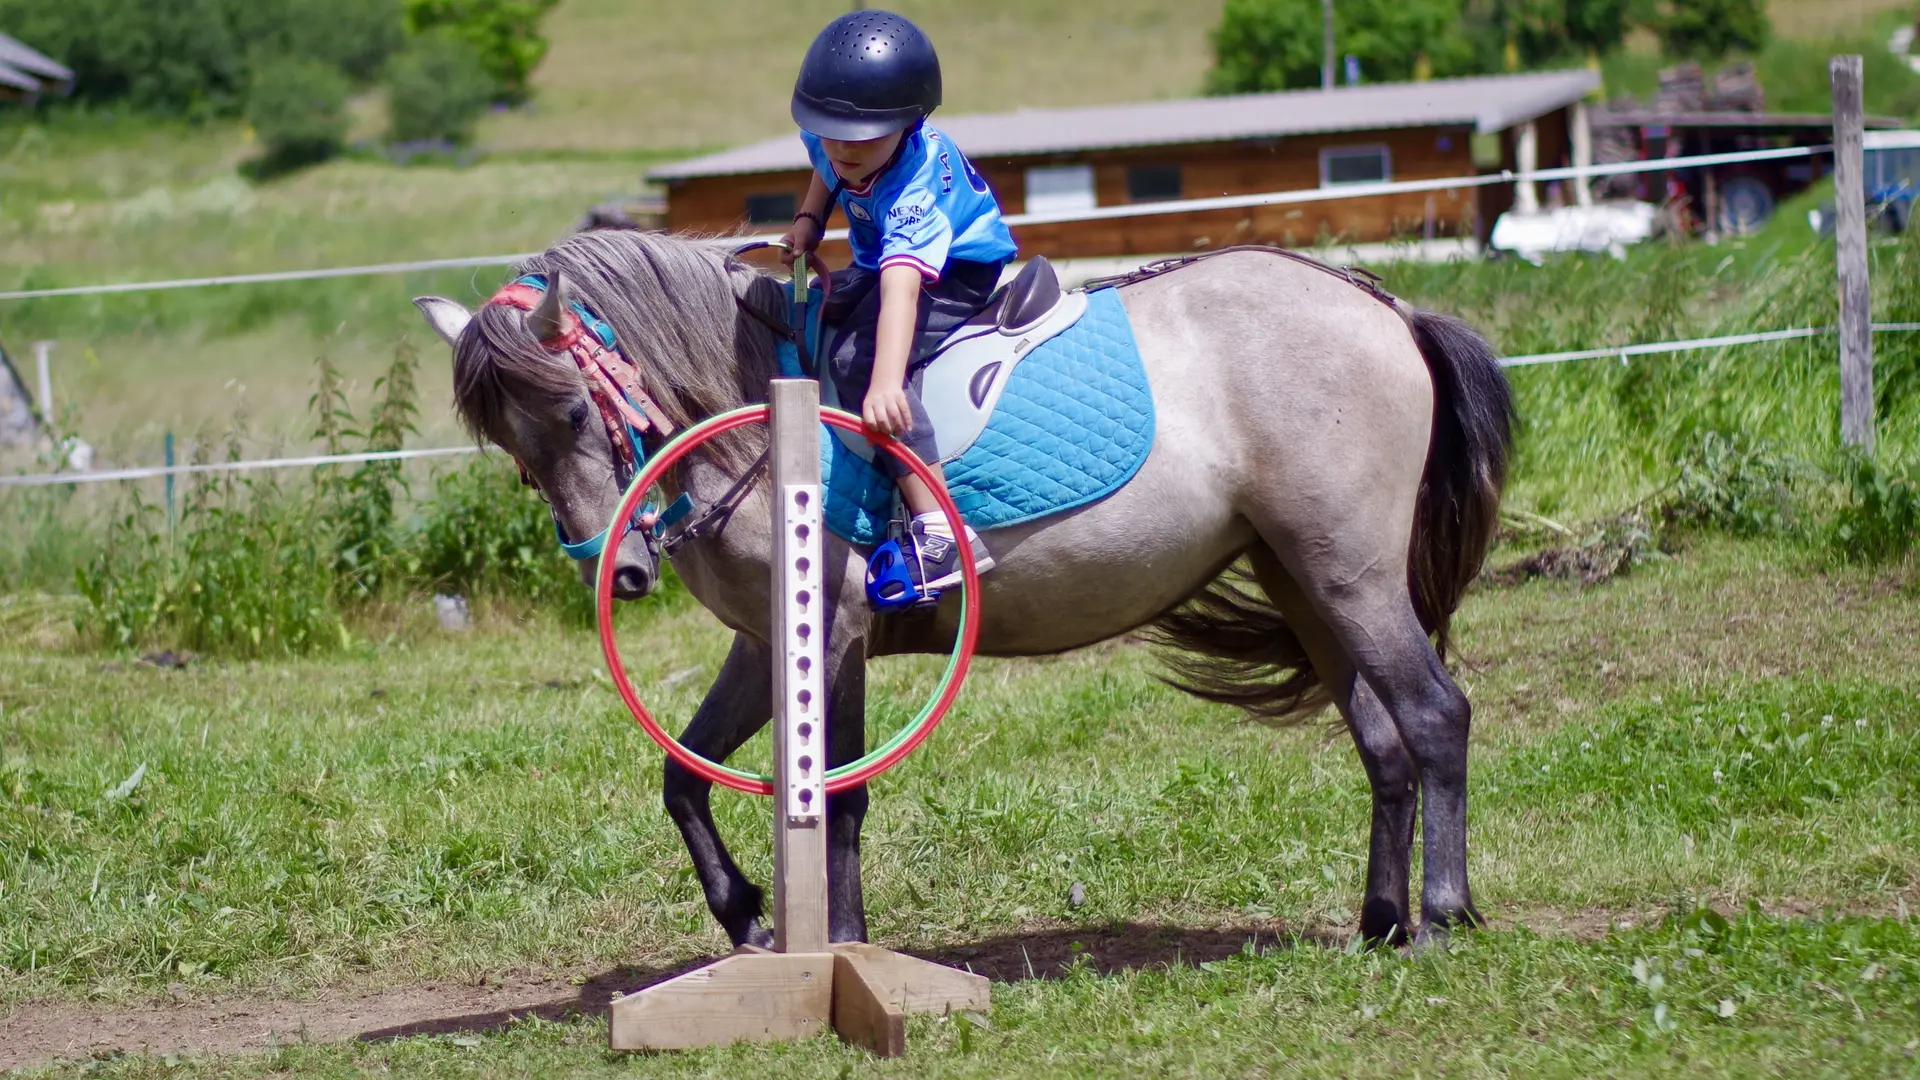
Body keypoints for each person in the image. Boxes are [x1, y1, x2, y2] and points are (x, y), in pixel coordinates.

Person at [780, 9, 1013, 599]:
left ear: (908, 122)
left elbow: (903, 289)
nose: (842, 148)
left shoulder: (915, 188)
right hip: (878, 254)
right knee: (819, 315)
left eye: (862, 139)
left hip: (954, 267)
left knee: (857, 361)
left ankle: (941, 526)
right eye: (832, 133)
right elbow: (821, 164)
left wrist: (884, 381)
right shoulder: (833, 132)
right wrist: (809, 221)